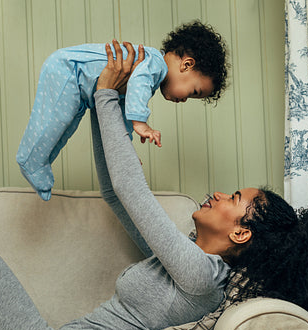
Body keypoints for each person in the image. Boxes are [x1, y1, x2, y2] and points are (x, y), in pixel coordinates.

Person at [0, 42, 308, 330]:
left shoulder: (201, 277)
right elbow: (118, 194)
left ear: (241, 233)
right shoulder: (180, 257)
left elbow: (131, 188)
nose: (219, 194)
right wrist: (107, 99)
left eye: (233, 200)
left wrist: (104, 96)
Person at [16, 20, 229, 201]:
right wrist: (141, 123)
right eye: (193, 92)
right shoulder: (153, 63)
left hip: (79, 86)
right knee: (55, 121)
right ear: (187, 65)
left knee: (65, 128)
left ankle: (40, 164)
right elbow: (138, 83)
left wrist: (125, 149)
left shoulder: (151, 75)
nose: (185, 100)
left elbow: (121, 109)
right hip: (67, 69)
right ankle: (30, 160)